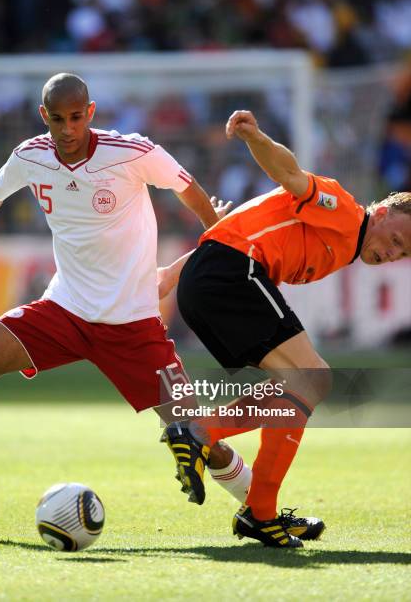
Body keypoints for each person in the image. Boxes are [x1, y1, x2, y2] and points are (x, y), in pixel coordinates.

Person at [0, 73, 253, 524]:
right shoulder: (30, 156)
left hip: (133, 326)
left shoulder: (132, 152)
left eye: (76, 117)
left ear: (90, 113)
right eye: (58, 119)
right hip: (65, 311)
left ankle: (260, 508)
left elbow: (187, 189)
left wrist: (217, 237)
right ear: (43, 116)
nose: (68, 128)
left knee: (199, 436)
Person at [159, 109, 411, 548]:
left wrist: (176, 276)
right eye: (394, 239)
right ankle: (203, 435)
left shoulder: (342, 245)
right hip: (230, 274)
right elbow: (291, 174)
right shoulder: (347, 214)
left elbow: (234, 234)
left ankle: (259, 509)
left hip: (211, 282)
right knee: (312, 378)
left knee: (300, 385)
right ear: (384, 211)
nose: (390, 254)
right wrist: (256, 138)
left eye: (400, 254)